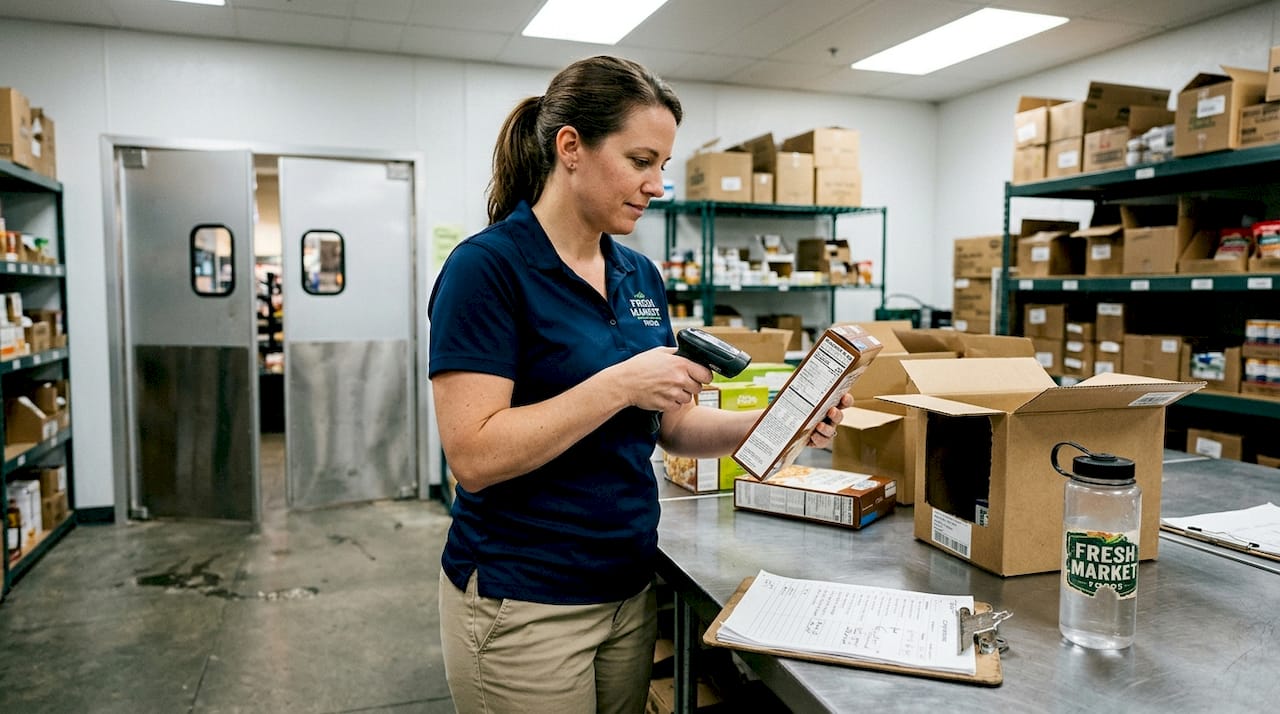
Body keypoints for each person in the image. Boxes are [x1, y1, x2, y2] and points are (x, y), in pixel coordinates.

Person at [428, 55, 850, 714]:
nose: (658, 185)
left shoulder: (639, 275)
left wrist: (779, 418)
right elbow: (475, 457)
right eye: (641, 160)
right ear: (571, 147)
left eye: (665, 166)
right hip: (526, 603)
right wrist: (620, 384)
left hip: (627, 590)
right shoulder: (487, 270)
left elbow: (671, 426)